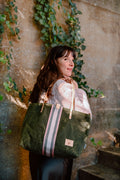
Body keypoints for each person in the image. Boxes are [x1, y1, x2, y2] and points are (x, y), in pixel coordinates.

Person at [29, 45, 92, 180]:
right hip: (56, 152)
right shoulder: (62, 85)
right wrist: (77, 89)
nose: (71, 63)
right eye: (65, 59)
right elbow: (84, 117)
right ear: (54, 61)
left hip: (38, 150)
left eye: (72, 59)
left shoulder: (44, 84)